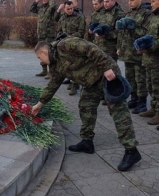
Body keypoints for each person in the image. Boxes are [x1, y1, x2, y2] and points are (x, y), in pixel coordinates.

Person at [31, 38, 141, 172]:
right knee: (85, 107)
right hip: (91, 82)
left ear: (44, 51)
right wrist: (39, 104)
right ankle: (87, 142)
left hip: (106, 74)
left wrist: (107, 68)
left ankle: (131, 151)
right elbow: (53, 85)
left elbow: (91, 48)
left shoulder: (65, 45)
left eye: (39, 57)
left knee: (118, 112)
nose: (40, 61)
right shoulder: (54, 65)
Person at [134, 0, 159, 125]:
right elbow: (147, 34)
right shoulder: (152, 15)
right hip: (148, 57)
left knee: (158, 86)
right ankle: (154, 108)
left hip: (158, 58)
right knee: (150, 85)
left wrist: (148, 47)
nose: (151, 4)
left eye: (153, 1)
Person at [116, 0, 151, 114]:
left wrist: (133, 27)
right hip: (128, 52)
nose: (129, 2)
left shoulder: (147, 14)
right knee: (130, 77)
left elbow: (147, 34)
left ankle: (142, 102)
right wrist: (119, 47)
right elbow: (122, 33)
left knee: (140, 79)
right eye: (128, 0)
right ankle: (134, 98)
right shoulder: (128, 13)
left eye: (132, 0)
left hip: (139, 53)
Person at [55, 0, 86, 95]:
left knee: (75, 65)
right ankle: (72, 82)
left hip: (75, 44)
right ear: (64, 9)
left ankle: (75, 86)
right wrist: (60, 37)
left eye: (71, 8)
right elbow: (59, 30)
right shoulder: (62, 18)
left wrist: (70, 36)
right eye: (68, 9)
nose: (70, 10)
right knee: (67, 65)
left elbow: (81, 31)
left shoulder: (79, 16)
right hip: (64, 45)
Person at [29, 0, 57, 78]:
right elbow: (32, 9)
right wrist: (36, 1)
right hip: (41, 34)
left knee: (49, 52)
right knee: (41, 52)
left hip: (49, 34)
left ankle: (51, 72)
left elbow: (53, 6)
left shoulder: (51, 7)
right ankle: (44, 70)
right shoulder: (41, 8)